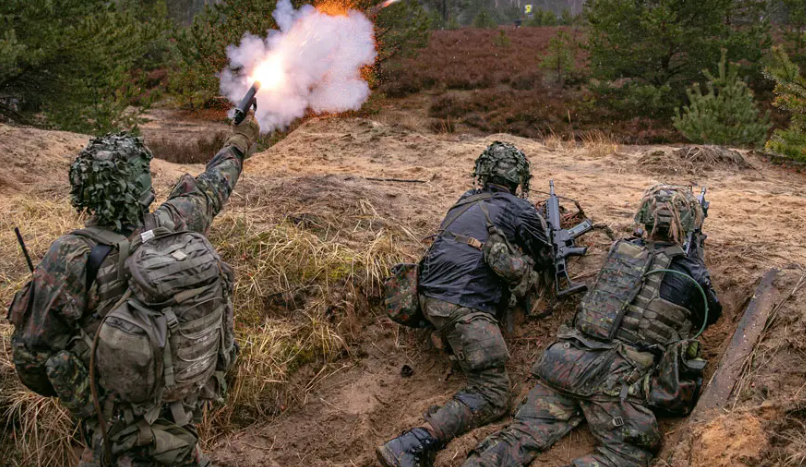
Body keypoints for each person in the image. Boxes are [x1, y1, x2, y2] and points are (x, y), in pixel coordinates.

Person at [8, 115, 260, 466]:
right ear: (142, 181)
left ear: (83, 188)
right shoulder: (176, 222)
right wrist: (239, 139)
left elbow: (31, 362)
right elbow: (214, 185)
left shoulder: (70, 255)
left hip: (114, 439)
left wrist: (85, 387)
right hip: (182, 424)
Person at [461, 184, 723, 467]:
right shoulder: (691, 272)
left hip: (564, 361)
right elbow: (710, 313)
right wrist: (695, 258)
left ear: (644, 218)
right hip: (610, 381)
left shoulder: (619, 249)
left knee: (520, 436)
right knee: (629, 451)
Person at [377, 142, 553, 467]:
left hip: (424, 298)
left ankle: (447, 342)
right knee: (493, 392)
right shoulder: (518, 208)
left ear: (483, 172)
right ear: (519, 179)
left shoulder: (464, 201)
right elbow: (545, 257)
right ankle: (412, 444)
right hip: (462, 307)